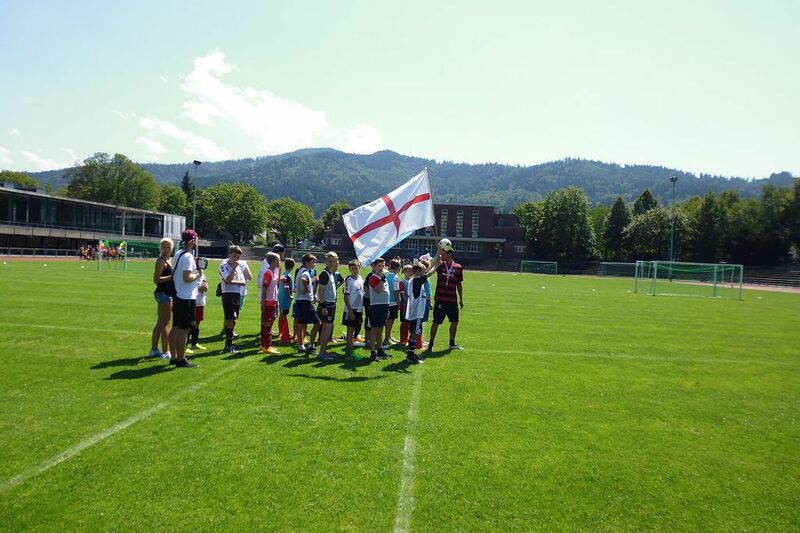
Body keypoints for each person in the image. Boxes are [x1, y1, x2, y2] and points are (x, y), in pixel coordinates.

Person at [168, 229, 201, 368]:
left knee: (176, 327)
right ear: (193, 241)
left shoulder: (178, 253)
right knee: (184, 329)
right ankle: (181, 358)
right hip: (186, 296)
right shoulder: (187, 256)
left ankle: (174, 357)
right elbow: (187, 277)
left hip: (178, 294)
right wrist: (198, 274)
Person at [426, 243, 464, 352]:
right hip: (440, 300)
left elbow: (459, 284)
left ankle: (452, 343)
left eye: (444, 254)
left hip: (452, 300)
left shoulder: (458, 267)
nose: (442, 255)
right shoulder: (440, 265)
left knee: (454, 321)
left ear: (450, 254)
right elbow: (428, 271)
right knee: (436, 322)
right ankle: (431, 344)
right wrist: (436, 260)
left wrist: (461, 299)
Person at [149, 238, 174, 360]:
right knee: (166, 323)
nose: (167, 249)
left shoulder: (170, 260)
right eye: (164, 247)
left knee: (160, 322)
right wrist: (171, 277)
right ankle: (165, 351)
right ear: (161, 248)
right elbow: (156, 279)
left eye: (169, 247)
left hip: (166, 293)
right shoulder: (161, 261)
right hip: (163, 293)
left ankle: (154, 350)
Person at [220, 245, 247, 354]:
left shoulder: (239, 267)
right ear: (229, 255)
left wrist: (232, 281)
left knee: (233, 319)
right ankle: (228, 345)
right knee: (231, 319)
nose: (236, 259)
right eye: (234, 256)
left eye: (238, 257)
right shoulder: (223, 266)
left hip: (236, 294)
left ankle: (228, 344)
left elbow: (243, 282)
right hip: (228, 294)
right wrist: (233, 270)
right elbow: (227, 280)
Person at [316, 252, 343, 360]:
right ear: (326, 261)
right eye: (330, 261)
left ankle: (323, 350)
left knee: (326, 327)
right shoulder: (324, 274)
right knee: (327, 327)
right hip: (327, 304)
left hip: (330, 304)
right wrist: (323, 306)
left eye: (334, 261)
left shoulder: (331, 274)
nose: (332, 263)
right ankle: (321, 353)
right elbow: (321, 291)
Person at [294, 253, 319, 354]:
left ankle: (301, 346)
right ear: (307, 262)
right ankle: (311, 346)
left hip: (299, 300)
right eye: (313, 262)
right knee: (317, 323)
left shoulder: (301, 270)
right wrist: (307, 290)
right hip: (305, 301)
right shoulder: (305, 272)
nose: (315, 264)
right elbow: (303, 279)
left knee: (301, 323)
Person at [367, 257, 390, 361]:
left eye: (383, 265)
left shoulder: (381, 277)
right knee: (374, 329)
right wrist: (382, 279)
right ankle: (373, 352)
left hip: (383, 305)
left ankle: (380, 350)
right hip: (376, 306)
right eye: (379, 266)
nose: (381, 268)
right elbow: (378, 290)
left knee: (380, 329)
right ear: (374, 267)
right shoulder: (373, 277)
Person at [404, 262, 428, 364]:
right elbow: (429, 273)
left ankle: (411, 354)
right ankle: (410, 356)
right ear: (418, 272)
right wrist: (438, 263)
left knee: (414, 332)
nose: (424, 271)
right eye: (423, 270)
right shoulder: (417, 280)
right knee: (414, 333)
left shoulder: (414, 280)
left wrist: (437, 261)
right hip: (416, 311)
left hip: (413, 310)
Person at [259, 252, 282, 354]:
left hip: (273, 301)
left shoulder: (275, 272)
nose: (280, 262)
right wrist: (263, 303)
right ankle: (266, 346)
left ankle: (264, 345)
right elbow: (264, 288)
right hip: (268, 302)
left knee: (267, 324)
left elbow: (276, 286)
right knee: (267, 325)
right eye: (278, 260)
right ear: (273, 261)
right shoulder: (268, 273)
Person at [342, 259, 364, 358]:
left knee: (356, 327)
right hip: (350, 309)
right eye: (352, 269)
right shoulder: (349, 280)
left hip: (359, 309)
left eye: (356, 268)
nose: (355, 270)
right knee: (350, 329)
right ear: (349, 269)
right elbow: (346, 296)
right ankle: (348, 351)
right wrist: (350, 311)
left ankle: (350, 346)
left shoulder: (360, 278)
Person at [383, 259, 401, 348]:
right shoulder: (396, 278)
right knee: (390, 321)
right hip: (393, 302)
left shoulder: (386, 275)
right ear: (398, 268)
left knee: (388, 321)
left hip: (385, 301)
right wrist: (398, 303)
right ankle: (387, 339)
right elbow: (396, 291)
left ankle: (388, 337)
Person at [190, 266, 208, 352]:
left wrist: (204, 287)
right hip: (192, 302)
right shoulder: (192, 273)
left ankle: (194, 343)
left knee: (197, 322)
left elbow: (205, 287)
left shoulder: (202, 274)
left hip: (200, 302)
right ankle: (185, 345)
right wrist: (199, 288)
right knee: (189, 324)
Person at [277, 257, 295, 343]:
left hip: (281, 297)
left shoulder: (284, 274)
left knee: (282, 314)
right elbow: (286, 287)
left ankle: (282, 332)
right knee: (283, 315)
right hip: (285, 298)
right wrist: (290, 295)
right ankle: (283, 334)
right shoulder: (288, 276)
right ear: (293, 266)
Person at [398, 264, 413, 346]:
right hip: (405, 305)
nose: (411, 272)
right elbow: (403, 295)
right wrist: (409, 302)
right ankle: (403, 339)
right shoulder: (402, 282)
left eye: (411, 271)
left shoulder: (413, 281)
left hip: (412, 305)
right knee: (404, 323)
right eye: (409, 271)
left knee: (411, 323)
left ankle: (410, 339)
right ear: (404, 272)